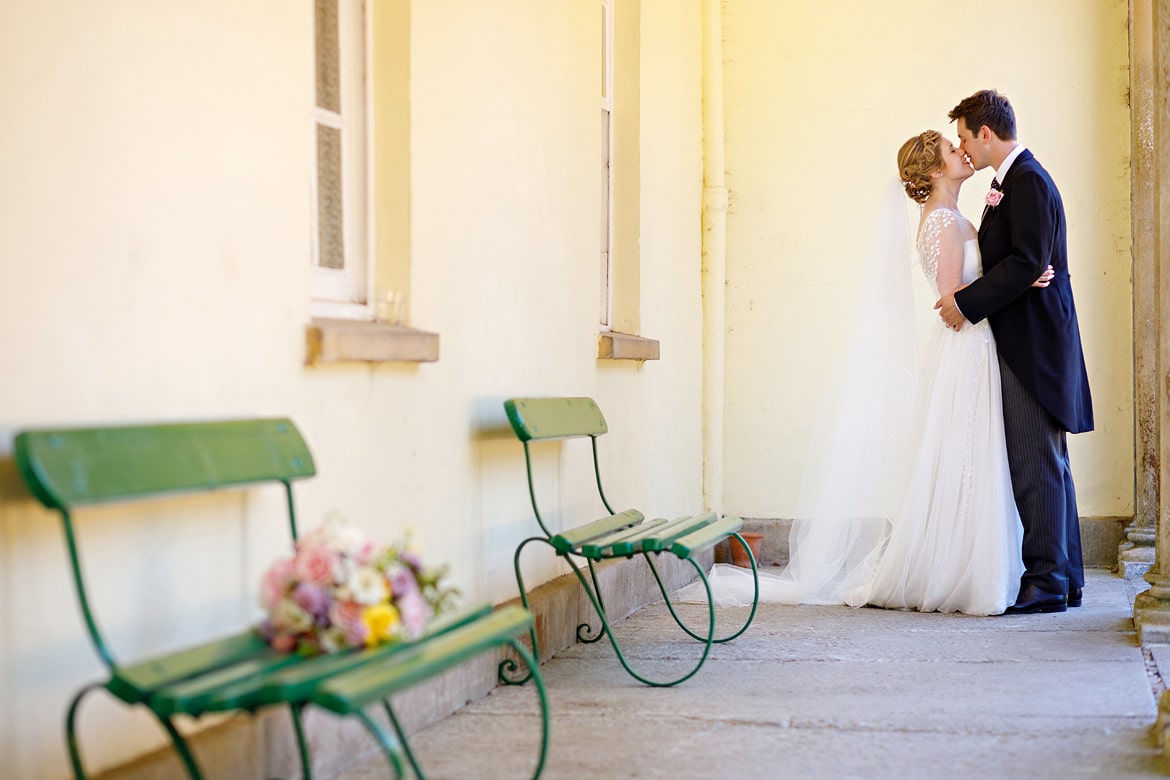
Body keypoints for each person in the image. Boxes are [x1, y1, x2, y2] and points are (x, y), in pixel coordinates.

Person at [681, 131, 1050, 616]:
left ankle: (969, 564)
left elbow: (978, 283)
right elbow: (950, 301)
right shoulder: (940, 222)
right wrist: (1017, 283)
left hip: (976, 348)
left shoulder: (953, 217)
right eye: (951, 148)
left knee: (971, 457)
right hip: (965, 351)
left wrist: (1019, 277)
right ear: (936, 170)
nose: (963, 151)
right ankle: (949, 571)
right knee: (962, 456)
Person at [936, 90, 1093, 614]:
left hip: (1033, 346)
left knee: (1035, 463)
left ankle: (1047, 579)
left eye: (964, 138)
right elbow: (1024, 263)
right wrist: (1020, 273)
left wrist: (965, 302)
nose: (964, 149)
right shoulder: (1014, 182)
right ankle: (1064, 576)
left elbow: (1028, 261)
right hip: (1029, 336)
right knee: (1048, 463)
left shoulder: (1027, 182)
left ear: (986, 133)